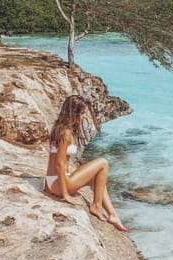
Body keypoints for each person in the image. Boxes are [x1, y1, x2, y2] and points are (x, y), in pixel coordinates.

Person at [44, 95, 127, 231]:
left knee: (98, 178)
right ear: (73, 113)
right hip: (58, 184)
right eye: (82, 113)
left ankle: (112, 215)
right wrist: (65, 194)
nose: (83, 117)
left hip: (52, 181)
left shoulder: (59, 128)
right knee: (103, 163)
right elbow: (59, 163)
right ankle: (96, 206)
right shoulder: (65, 133)